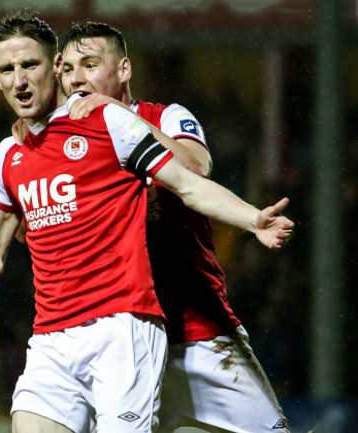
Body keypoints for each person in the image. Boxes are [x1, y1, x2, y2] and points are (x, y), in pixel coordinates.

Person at [0, 11, 293, 433]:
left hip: (158, 327)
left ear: (56, 66)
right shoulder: (9, 155)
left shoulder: (120, 122)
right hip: (54, 337)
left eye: (30, 65)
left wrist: (252, 219)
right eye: (8, 69)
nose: (20, 79)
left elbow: (192, 179)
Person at [59, 22, 289, 432]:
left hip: (199, 328)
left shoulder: (166, 116)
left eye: (90, 64)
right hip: (118, 339)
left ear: (124, 69)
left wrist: (113, 115)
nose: (77, 77)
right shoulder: (64, 145)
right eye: (68, 67)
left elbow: (195, 167)